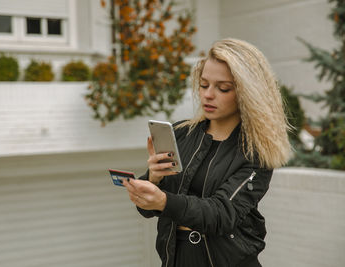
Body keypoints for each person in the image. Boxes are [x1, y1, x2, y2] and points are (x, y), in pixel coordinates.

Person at [122, 38, 292, 267]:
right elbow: (146, 210)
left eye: (223, 88)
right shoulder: (181, 134)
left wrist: (163, 201)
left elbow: (221, 214)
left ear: (247, 93)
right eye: (203, 85)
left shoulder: (256, 152)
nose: (208, 95)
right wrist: (153, 178)